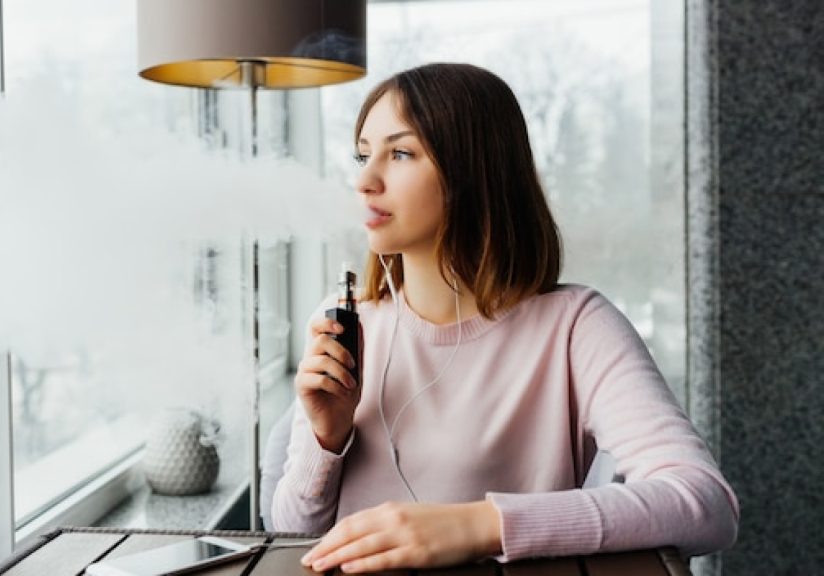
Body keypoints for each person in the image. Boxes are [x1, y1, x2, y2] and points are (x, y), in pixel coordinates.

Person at [270, 63, 739, 574]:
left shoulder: (576, 327)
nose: (364, 180)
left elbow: (704, 504)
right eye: (363, 155)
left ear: (475, 171)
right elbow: (291, 541)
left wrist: (477, 526)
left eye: (400, 153)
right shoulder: (344, 322)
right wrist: (327, 438)